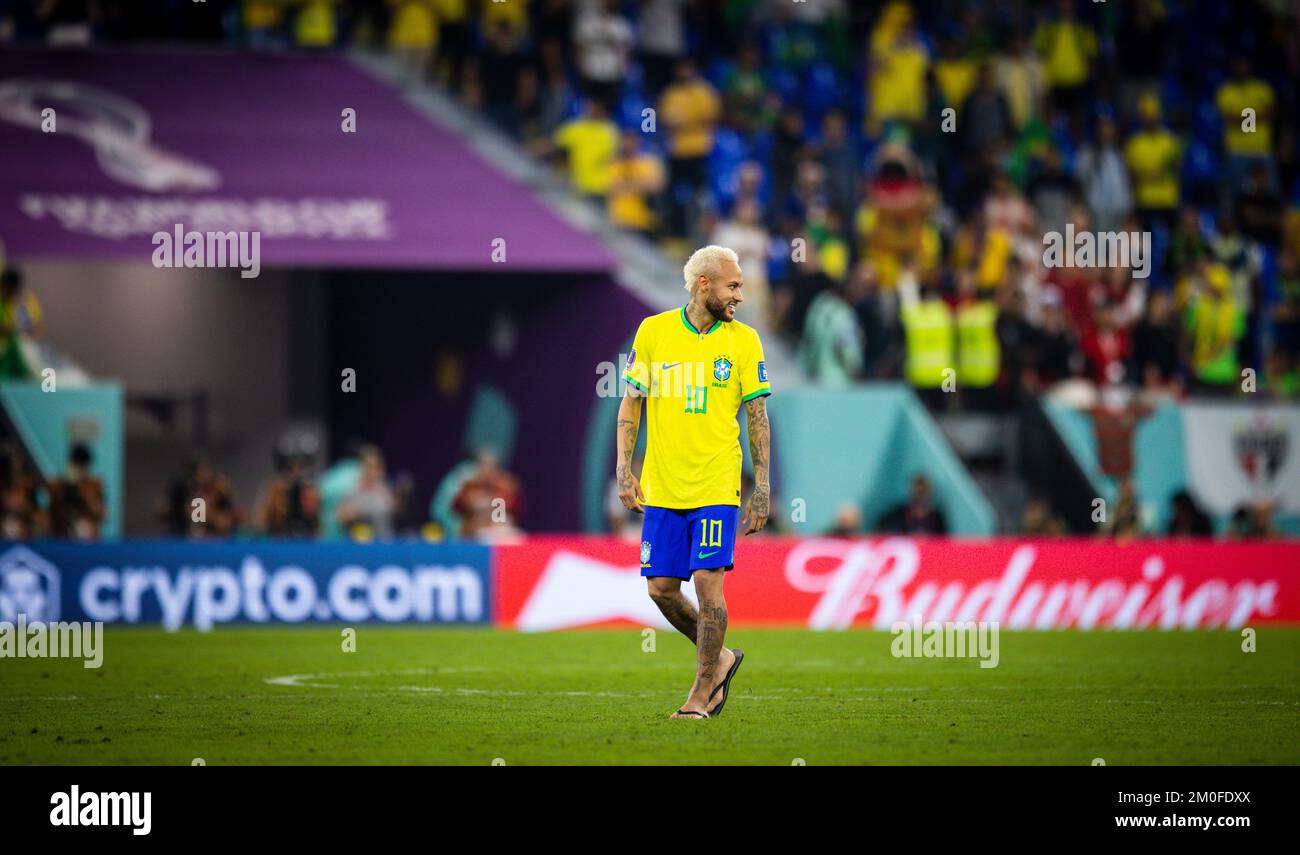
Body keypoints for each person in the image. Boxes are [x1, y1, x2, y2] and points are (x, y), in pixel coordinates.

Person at [617, 245, 771, 719]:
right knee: (661, 589)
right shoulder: (654, 331)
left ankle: (702, 692)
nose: (739, 296)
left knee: (708, 582)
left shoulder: (744, 340)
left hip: (716, 484)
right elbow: (631, 404)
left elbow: (758, 415)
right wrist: (625, 467)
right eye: (733, 285)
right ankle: (720, 656)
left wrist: (761, 483)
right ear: (704, 285)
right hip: (664, 485)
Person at [46, 443, 106, 540]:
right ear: (71, 464)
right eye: (76, 465)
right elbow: (51, 512)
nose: (79, 470)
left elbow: (101, 515)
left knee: (84, 526)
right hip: (62, 532)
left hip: (85, 535)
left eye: (82, 466)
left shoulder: (93, 486)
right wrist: (65, 487)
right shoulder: (57, 485)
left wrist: (87, 495)